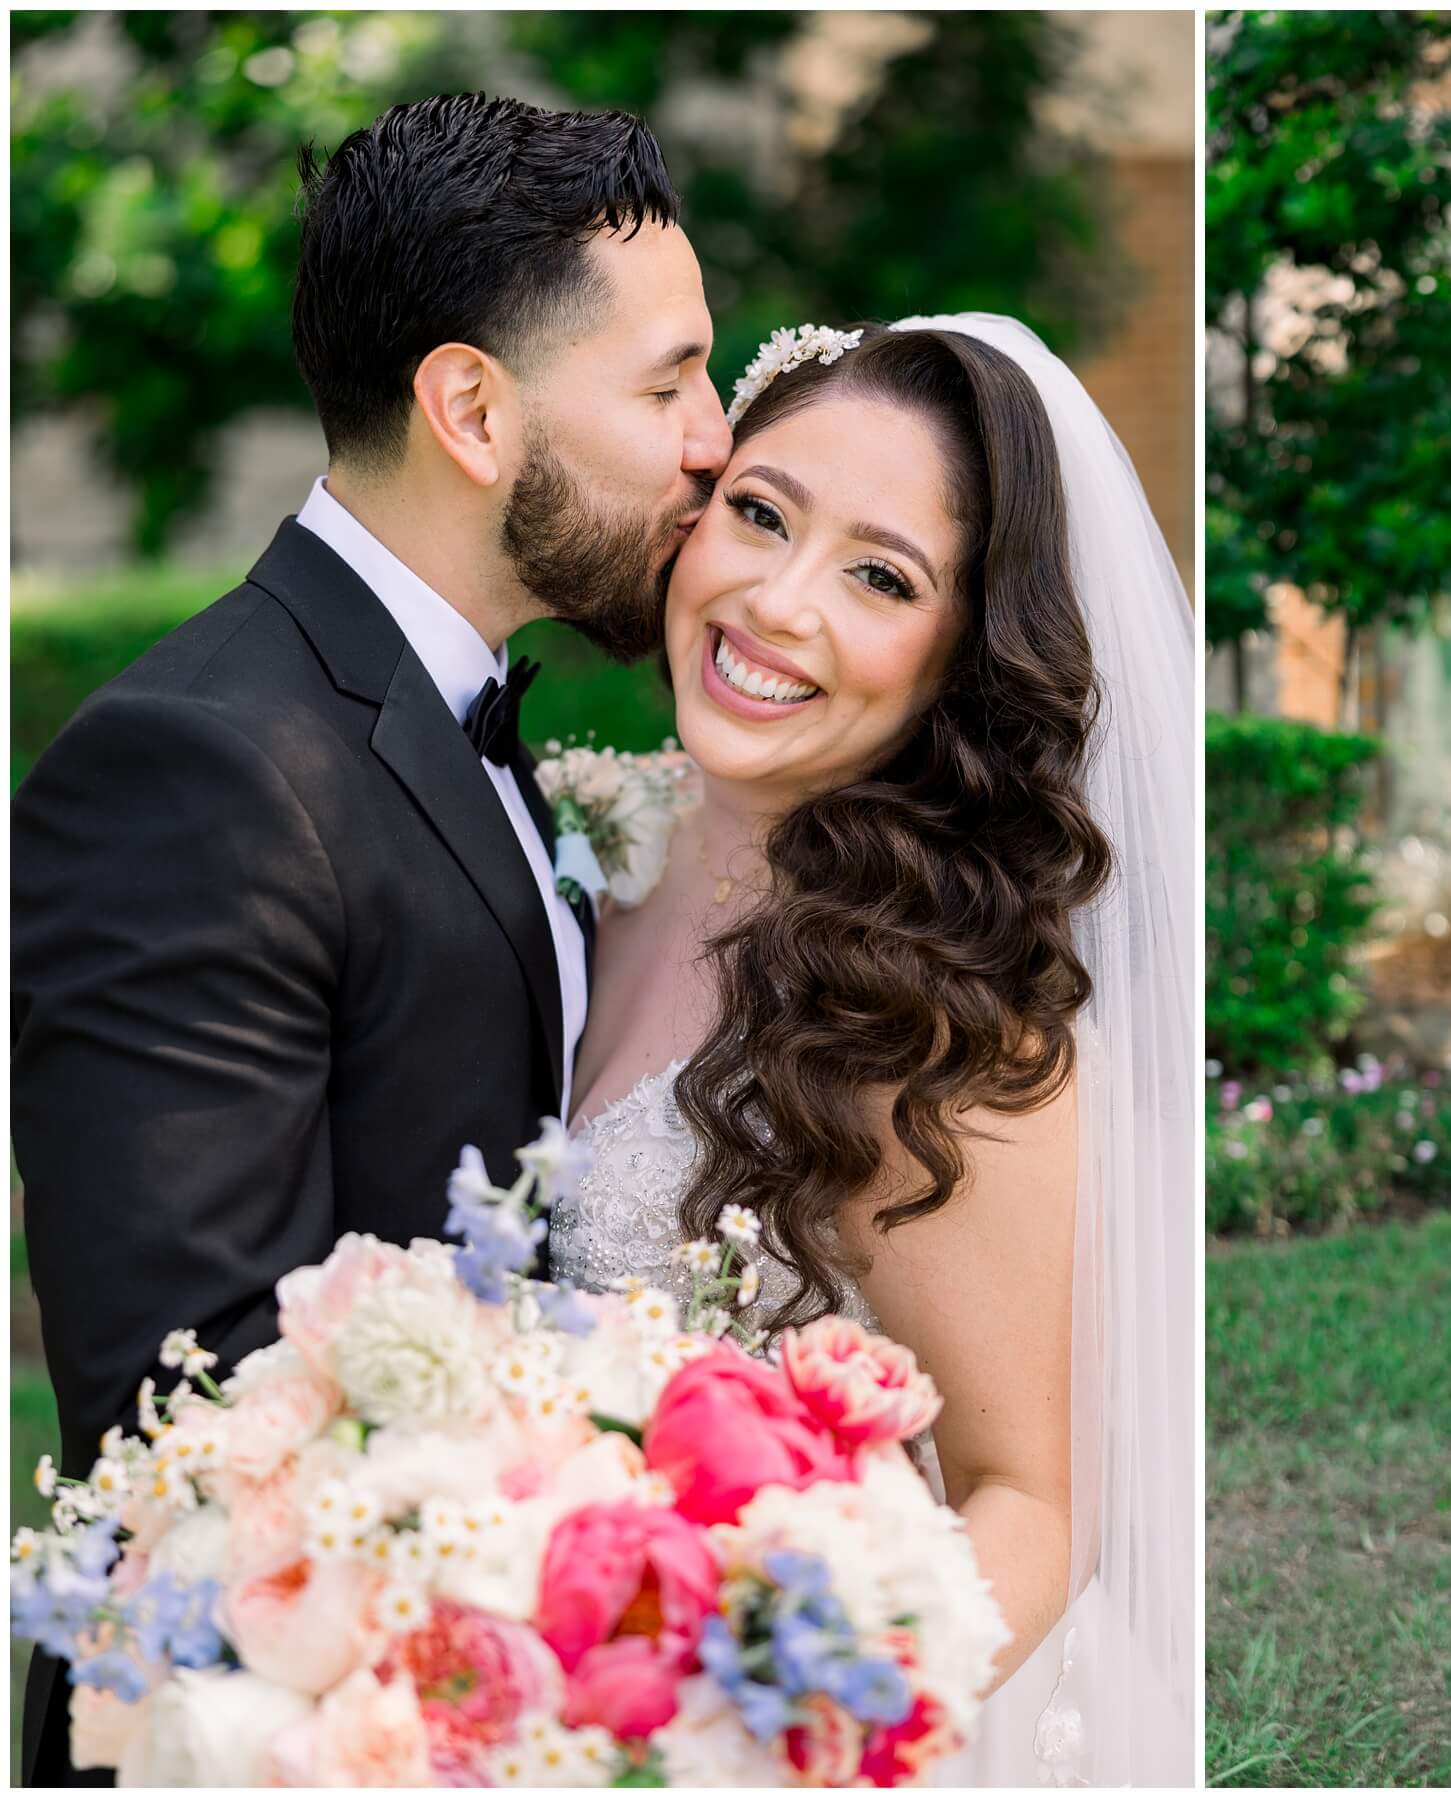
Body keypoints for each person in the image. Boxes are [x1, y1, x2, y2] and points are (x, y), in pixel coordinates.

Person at [11, 93, 729, 1784]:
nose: (715, 436)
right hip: (271, 1717)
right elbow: (187, 1401)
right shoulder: (200, 763)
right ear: (471, 408)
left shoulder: (461, 707)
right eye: (669, 380)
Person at [542, 315, 1195, 1784]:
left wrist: (778, 1744)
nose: (776, 601)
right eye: (760, 513)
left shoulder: (938, 1019)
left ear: (963, 653)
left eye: (880, 575)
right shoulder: (591, 852)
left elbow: (1037, 1498)